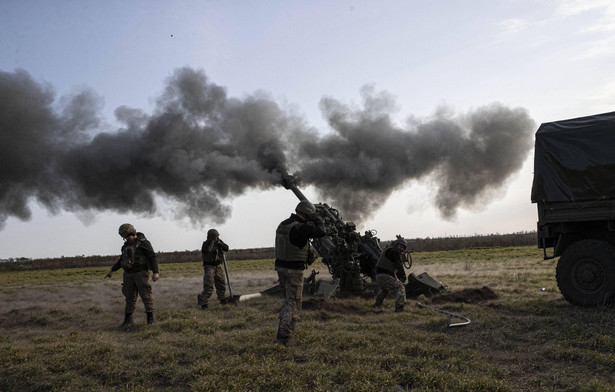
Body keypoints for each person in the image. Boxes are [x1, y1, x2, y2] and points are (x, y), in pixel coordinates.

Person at [274, 200, 326, 346]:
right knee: (294, 303)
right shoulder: (301, 227)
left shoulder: (283, 224)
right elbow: (322, 232)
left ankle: (281, 332)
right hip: (294, 270)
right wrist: (316, 218)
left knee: (288, 301)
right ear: (307, 213)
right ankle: (284, 338)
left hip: (281, 267)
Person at [105, 223, 159, 326]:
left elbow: (152, 257)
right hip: (128, 275)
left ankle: (150, 319)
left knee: (146, 296)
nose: (126, 239)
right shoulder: (125, 246)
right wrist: (112, 270)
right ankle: (128, 320)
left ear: (133, 233)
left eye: (127, 236)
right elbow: (121, 260)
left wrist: (155, 272)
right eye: (124, 237)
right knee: (129, 297)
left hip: (141, 274)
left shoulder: (144, 243)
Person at [374, 237, 408, 312]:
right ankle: (399, 308)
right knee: (400, 288)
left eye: (403, 248)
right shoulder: (394, 252)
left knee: (385, 290)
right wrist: (403, 276)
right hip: (384, 275)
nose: (401, 249)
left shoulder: (389, 250)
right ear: (396, 245)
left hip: (380, 275)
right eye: (400, 246)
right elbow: (398, 265)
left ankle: (377, 304)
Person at [198, 229, 230, 309]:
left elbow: (226, 248)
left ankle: (222, 298)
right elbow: (207, 250)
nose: (217, 238)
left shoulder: (219, 242)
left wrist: (220, 243)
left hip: (218, 266)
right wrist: (212, 243)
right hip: (209, 267)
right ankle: (203, 303)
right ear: (211, 237)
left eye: (218, 236)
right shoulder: (206, 244)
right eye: (216, 237)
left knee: (221, 283)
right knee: (208, 286)